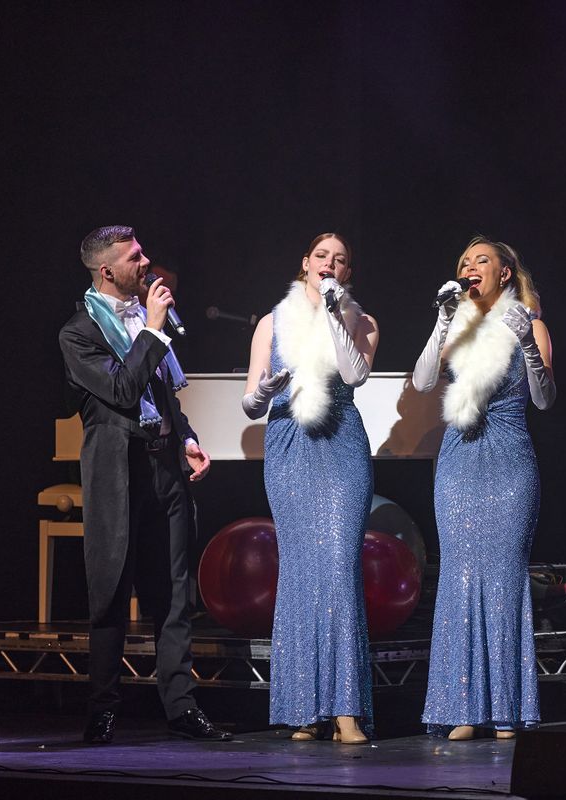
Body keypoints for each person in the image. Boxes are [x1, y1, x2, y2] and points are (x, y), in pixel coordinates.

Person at [60, 225, 230, 744]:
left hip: (164, 469)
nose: (146, 261)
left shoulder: (141, 320)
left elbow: (164, 401)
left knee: (176, 594)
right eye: (135, 257)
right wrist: (152, 331)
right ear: (107, 270)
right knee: (110, 593)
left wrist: (188, 439)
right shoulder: (79, 333)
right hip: (120, 473)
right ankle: (104, 707)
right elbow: (122, 388)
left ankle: (181, 707)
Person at [413, 236, 555, 740]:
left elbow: (544, 399)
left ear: (505, 274)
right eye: (464, 262)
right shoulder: (457, 321)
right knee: (460, 576)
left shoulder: (528, 322)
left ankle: (506, 707)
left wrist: (530, 348)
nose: (471, 267)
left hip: (510, 459)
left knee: (503, 577)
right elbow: (423, 380)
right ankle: (463, 705)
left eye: (481, 260)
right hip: (458, 461)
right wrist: (441, 321)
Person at [241, 233, 379, 744]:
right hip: (288, 446)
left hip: (341, 444)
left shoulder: (362, 322)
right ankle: (304, 708)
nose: (329, 264)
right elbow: (250, 406)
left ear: (347, 274)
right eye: (322, 256)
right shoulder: (271, 323)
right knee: (300, 573)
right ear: (304, 263)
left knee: (340, 569)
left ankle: (346, 709)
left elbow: (353, 374)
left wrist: (336, 315)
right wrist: (264, 391)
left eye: (340, 260)